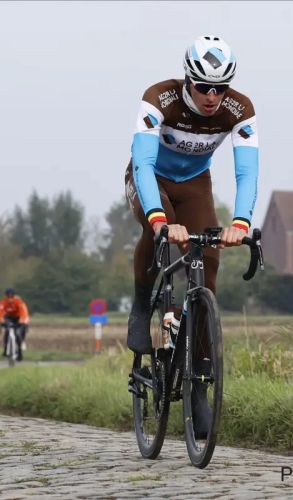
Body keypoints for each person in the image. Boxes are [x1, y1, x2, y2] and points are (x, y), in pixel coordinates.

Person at [125, 36, 259, 439]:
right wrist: (159, 219)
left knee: (209, 263)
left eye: (221, 88)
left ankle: (198, 378)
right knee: (160, 234)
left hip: (196, 183)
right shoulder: (159, 98)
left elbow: (247, 171)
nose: (213, 97)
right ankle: (140, 305)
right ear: (188, 80)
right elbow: (145, 163)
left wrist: (240, 222)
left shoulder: (240, 109)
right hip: (150, 179)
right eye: (204, 87)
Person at [0, 287, 29, 362]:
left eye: (12, 297)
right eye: (8, 297)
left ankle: (20, 352)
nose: (10, 299)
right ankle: (5, 349)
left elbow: (23, 313)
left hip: (19, 317)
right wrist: (2, 321)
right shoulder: (3, 302)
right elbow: (0, 313)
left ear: (14, 296)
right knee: (7, 331)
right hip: (9, 317)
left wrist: (20, 322)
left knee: (18, 333)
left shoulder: (19, 301)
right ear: (6, 297)